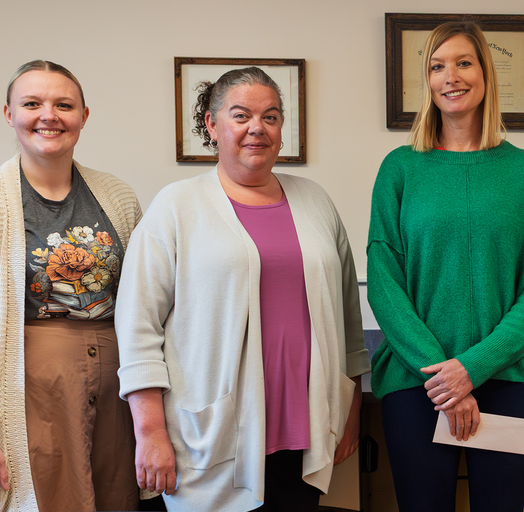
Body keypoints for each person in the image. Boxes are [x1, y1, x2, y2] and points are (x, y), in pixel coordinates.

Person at [115, 66, 369, 512]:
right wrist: (150, 432)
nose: (257, 128)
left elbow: (348, 315)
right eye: (241, 115)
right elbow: (138, 327)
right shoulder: (176, 207)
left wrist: (351, 408)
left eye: (270, 117)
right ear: (212, 126)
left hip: (305, 432)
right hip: (211, 440)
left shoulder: (315, 201)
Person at [367, 21, 524, 512]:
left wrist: (471, 369)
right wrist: (446, 379)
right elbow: (384, 280)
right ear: (427, 81)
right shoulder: (400, 168)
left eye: (463, 62)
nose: (449, 76)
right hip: (418, 385)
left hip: (508, 379)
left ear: (486, 74)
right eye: (436, 66)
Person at [0, 60, 143, 511]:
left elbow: (145, 302)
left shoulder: (119, 196)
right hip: (26, 396)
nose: (49, 115)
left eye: (63, 105)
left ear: (84, 116)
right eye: (32, 103)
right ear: (9, 114)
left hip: (115, 401)